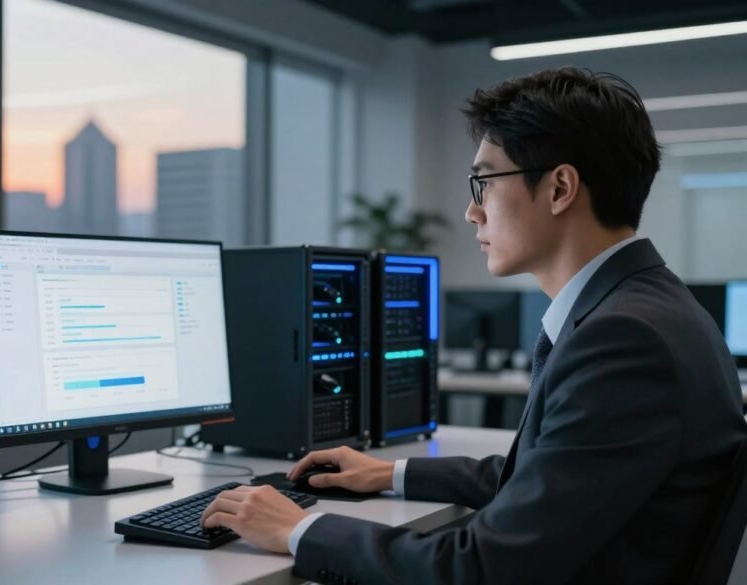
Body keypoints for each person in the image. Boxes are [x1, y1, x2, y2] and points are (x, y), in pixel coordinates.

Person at [200, 67, 747, 584]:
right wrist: (389, 473)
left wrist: (299, 529)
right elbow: (549, 477)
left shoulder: (624, 340)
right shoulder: (649, 308)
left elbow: (481, 569)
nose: (471, 211)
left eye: (483, 182)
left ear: (560, 188)